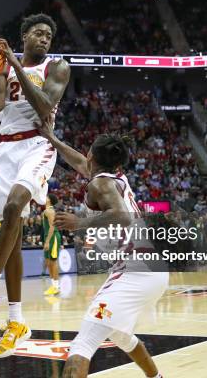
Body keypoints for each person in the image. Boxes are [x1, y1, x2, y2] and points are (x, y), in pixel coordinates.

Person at [0, 13, 70, 358]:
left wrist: (15, 66)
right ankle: (15, 321)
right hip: (6, 148)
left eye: (48, 35)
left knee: (13, 205)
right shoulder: (3, 70)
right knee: (12, 238)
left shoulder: (57, 67)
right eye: (38, 33)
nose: (44, 39)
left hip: (39, 143)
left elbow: (45, 105)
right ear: (24, 37)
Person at [37, 120, 167, 378]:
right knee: (122, 335)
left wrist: (80, 222)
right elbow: (78, 162)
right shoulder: (113, 177)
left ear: (91, 156)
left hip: (133, 270)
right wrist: (53, 139)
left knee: (82, 344)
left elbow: (121, 215)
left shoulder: (100, 185)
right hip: (151, 269)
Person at [42, 194, 62, 296]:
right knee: (49, 262)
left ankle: (56, 287)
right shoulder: (47, 210)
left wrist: (47, 241)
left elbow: (52, 227)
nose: (44, 198)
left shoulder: (49, 211)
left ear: (49, 200)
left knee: (53, 262)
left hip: (52, 237)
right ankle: (53, 286)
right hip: (49, 237)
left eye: (46, 197)